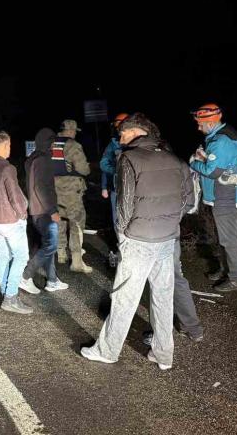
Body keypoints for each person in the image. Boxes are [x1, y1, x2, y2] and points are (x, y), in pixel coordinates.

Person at [81, 113, 194, 370]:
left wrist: (123, 235)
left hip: (138, 239)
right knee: (163, 297)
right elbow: (189, 201)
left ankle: (107, 351)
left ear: (135, 132)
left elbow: (124, 206)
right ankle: (164, 356)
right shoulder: (175, 159)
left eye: (122, 133)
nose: (119, 137)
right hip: (167, 238)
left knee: (125, 297)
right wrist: (170, 222)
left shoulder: (129, 159)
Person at [189, 103, 237, 292]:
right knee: (224, 238)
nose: (199, 128)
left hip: (226, 197)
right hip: (222, 196)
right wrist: (205, 157)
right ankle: (226, 270)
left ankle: (236, 279)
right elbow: (218, 164)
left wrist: (194, 163)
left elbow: (212, 171)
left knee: (228, 240)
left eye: (200, 124)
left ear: (210, 122)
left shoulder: (221, 141)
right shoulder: (218, 139)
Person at [0, 131, 32, 314]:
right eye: (9, 145)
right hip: (10, 221)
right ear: (3, 146)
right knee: (21, 256)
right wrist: (22, 213)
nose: (10, 148)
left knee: (3, 255)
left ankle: (5, 293)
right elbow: (14, 196)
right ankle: (10, 297)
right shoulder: (7, 168)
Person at [19, 128, 69, 295]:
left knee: (48, 245)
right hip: (44, 211)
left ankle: (52, 280)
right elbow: (40, 187)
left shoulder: (32, 158)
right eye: (53, 143)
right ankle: (25, 276)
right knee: (51, 244)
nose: (54, 146)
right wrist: (52, 210)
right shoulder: (43, 159)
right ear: (48, 142)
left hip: (36, 209)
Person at [52, 119, 92, 273]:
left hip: (53, 190)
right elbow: (83, 170)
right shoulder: (73, 146)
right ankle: (76, 261)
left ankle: (61, 253)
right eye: (74, 131)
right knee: (76, 223)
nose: (75, 134)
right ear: (70, 131)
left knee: (60, 220)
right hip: (71, 193)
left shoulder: (51, 144)